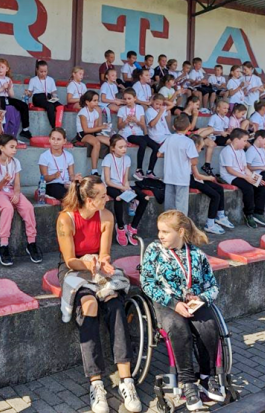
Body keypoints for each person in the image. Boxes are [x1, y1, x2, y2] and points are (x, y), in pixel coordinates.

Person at [55, 176, 141, 413]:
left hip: (96, 266)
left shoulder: (107, 216)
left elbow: (104, 254)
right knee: (90, 304)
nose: (108, 198)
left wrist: (104, 263)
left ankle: (126, 379)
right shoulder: (66, 218)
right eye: (102, 195)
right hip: (74, 267)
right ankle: (96, 382)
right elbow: (70, 259)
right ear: (89, 199)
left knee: (114, 302)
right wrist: (90, 263)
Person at [140, 211, 226, 410]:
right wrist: (173, 303)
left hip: (194, 302)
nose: (160, 235)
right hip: (166, 302)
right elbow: (147, 283)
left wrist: (202, 298)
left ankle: (207, 377)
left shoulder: (197, 255)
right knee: (178, 328)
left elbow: (213, 285)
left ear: (180, 232)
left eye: (165, 232)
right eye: (159, 231)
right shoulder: (154, 250)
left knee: (209, 325)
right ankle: (187, 383)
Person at [0, 135, 42, 266]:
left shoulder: (15, 162)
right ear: (1, 147)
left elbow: (17, 183)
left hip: (11, 190)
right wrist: (3, 181)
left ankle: (31, 242)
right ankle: (3, 246)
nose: (14, 150)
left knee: (28, 207)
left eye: (15, 147)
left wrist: (17, 194)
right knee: (8, 208)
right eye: (11, 147)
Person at [102, 135, 148, 246]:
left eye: (125, 147)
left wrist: (127, 188)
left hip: (122, 185)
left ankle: (132, 227)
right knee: (118, 198)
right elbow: (107, 181)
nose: (124, 149)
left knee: (145, 198)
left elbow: (125, 179)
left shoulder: (127, 159)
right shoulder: (108, 158)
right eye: (121, 147)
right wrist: (123, 189)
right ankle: (121, 227)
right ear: (113, 148)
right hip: (110, 186)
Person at [219, 129, 265, 228]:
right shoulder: (227, 151)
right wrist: (247, 178)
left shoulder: (241, 151)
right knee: (248, 188)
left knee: (261, 185)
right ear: (236, 140)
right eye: (244, 141)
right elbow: (230, 170)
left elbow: (245, 168)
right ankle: (248, 214)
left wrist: (255, 178)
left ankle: (258, 213)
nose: (246, 143)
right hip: (230, 176)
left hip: (241, 174)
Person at [189, 135, 233, 233]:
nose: (201, 150)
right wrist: (210, 178)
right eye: (201, 148)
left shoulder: (193, 155)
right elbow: (197, 176)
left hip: (194, 178)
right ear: (196, 146)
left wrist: (209, 179)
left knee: (219, 188)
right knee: (215, 196)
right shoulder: (192, 156)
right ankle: (210, 224)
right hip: (189, 180)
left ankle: (220, 215)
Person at [157, 114, 196, 215]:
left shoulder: (169, 139)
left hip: (169, 176)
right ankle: (180, 227)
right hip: (182, 178)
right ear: (189, 127)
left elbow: (159, 154)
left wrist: (170, 156)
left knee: (169, 206)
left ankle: (168, 226)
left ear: (174, 127)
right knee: (181, 206)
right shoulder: (189, 142)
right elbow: (194, 161)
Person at [118, 88, 159, 180]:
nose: (127, 101)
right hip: (127, 133)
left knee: (156, 146)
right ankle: (139, 170)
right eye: (125, 99)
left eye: (129, 98)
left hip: (139, 132)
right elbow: (119, 126)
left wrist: (136, 121)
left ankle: (150, 171)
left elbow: (143, 124)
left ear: (135, 98)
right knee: (143, 143)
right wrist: (126, 121)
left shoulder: (139, 108)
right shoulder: (121, 109)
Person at [0, 58, 31, 140]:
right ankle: (1, 130)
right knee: (2, 103)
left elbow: (11, 96)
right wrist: (2, 88)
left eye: (2, 67)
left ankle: (25, 129)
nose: (0, 69)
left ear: (7, 69)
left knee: (23, 105)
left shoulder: (8, 79)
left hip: (7, 98)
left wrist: (9, 88)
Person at [76, 90, 111, 175]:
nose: (97, 102)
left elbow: (95, 129)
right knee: (96, 143)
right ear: (87, 102)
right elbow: (86, 130)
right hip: (83, 134)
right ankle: (94, 170)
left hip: (92, 133)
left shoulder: (96, 113)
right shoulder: (83, 113)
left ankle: (110, 168)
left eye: (97, 100)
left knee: (112, 142)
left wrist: (104, 128)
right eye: (94, 101)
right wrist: (101, 127)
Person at [38, 128, 79, 201]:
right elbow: (44, 178)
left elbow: (71, 175)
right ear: (49, 140)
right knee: (62, 193)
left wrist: (74, 178)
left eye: (58, 139)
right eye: (53, 139)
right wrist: (54, 176)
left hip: (66, 184)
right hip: (51, 184)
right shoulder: (44, 156)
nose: (55, 142)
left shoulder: (69, 156)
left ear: (64, 141)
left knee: (82, 190)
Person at [26, 60, 61, 129]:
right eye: (41, 71)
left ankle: (58, 124)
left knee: (60, 106)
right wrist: (28, 93)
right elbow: (30, 94)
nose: (43, 73)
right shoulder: (33, 80)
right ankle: (55, 127)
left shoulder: (51, 80)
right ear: (37, 70)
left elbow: (53, 92)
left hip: (48, 96)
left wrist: (55, 97)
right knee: (50, 106)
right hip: (38, 97)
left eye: (45, 71)